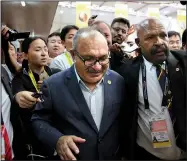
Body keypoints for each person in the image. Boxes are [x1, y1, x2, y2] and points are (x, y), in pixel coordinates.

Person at [31, 28, 125, 160]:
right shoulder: (53, 85)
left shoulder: (118, 81)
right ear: (73, 55)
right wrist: (58, 139)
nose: (97, 67)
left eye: (103, 58)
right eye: (89, 59)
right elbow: (38, 120)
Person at [119, 18, 187, 160]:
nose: (159, 42)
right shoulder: (127, 71)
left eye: (163, 35)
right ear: (138, 43)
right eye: (150, 37)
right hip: (148, 153)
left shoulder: (183, 63)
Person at [12, 37, 60, 159]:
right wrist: (19, 97)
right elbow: (18, 95)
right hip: (32, 136)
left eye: (45, 49)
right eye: (38, 49)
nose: (44, 53)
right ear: (25, 55)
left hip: (57, 132)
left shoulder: (57, 74)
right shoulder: (20, 78)